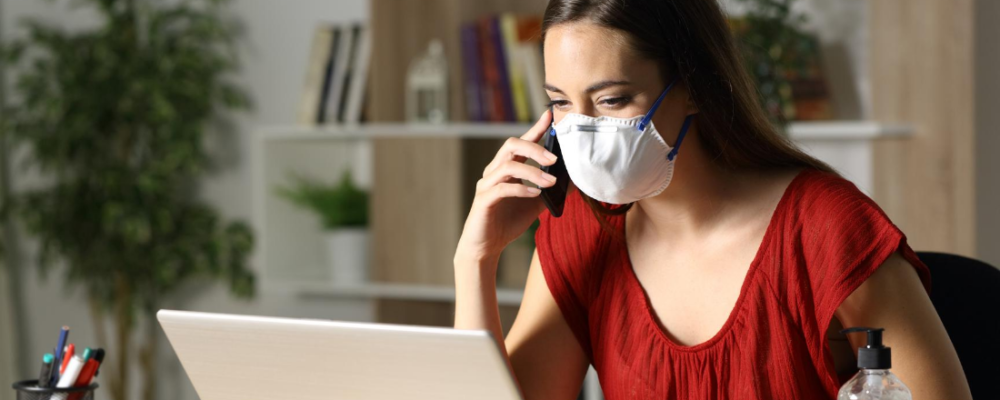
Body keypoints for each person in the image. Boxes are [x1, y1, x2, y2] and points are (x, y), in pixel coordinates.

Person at [453, 0, 972, 399]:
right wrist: (476, 258)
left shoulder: (825, 228)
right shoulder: (582, 233)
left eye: (611, 100)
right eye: (561, 103)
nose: (583, 130)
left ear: (695, 87)